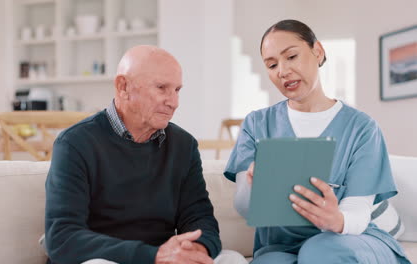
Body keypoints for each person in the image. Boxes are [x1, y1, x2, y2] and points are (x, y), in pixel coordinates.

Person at [224, 20, 411, 264]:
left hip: (347, 238)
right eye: (272, 65)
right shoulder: (256, 124)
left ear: (318, 51)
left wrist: (337, 219)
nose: (282, 71)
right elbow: (245, 207)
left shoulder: (361, 128)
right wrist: (252, 188)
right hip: (281, 246)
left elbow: (358, 210)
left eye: (291, 56)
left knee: (321, 251)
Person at [45, 45, 247, 264]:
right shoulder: (75, 143)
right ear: (123, 87)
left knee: (231, 260)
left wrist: (195, 249)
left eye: (177, 90)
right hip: (108, 259)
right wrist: (153, 256)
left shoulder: (184, 145)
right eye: (162, 88)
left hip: (163, 259)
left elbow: (200, 219)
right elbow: (63, 238)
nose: (174, 102)